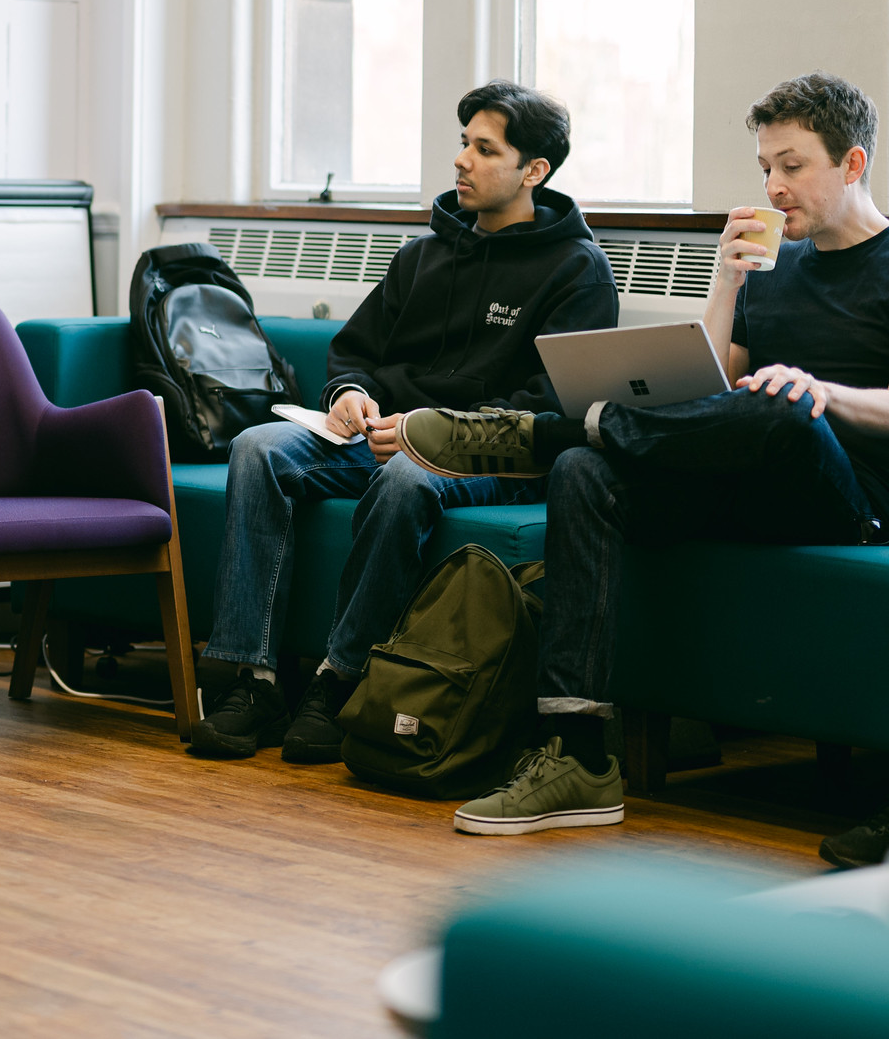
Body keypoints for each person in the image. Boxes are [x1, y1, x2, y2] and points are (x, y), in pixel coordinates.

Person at [400, 71, 889, 836]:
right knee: (583, 472)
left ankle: (542, 431)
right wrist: (725, 283)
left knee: (785, 407)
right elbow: (712, 389)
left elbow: (775, 405)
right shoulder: (773, 264)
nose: (774, 184)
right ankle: (579, 752)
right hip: (743, 480)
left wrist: (818, 390)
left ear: (852, 164)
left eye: (791, 166)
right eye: (765, 166)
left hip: (849, 501)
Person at [188, 82, 619, 763]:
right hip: (380, 433)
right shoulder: (422, 254)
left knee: (406, 480)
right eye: (463, 144)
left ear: (534, 170)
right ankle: (251, 677)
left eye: (485, 149)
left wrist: (432, 425)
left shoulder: (578, 271)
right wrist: (352, 393)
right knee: (257, 448)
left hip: (488, 454)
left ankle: (340, 681)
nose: (462, 162)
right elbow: (356, 351)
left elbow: (554, 401)